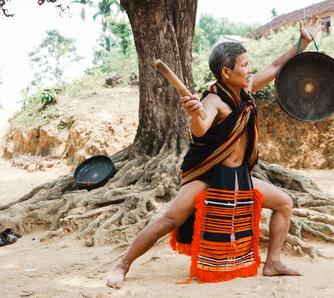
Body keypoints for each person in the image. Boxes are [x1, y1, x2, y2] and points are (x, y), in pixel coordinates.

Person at [107, 16, 322, 289]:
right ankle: (123, 264)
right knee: (170, 219)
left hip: (239, 177)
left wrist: (301, 42)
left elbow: (277, 66)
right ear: (226, 73)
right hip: (209, 176)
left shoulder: (245, 89)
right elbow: (199, 129)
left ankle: (273, 263)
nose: (249, 69)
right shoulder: (213, 101)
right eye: (244, 65)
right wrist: (194, 114)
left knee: (284, 203)